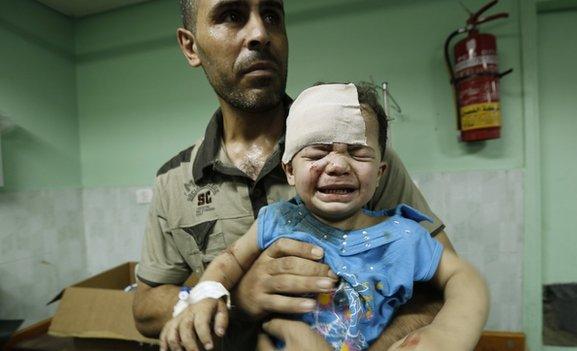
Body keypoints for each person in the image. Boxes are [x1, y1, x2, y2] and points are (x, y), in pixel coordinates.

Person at [132, 0, 462, 349]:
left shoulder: (357, 162)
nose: (260, 33)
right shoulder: (174, 179)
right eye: (232, 15)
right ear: (190, 46)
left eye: (272, 15)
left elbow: (442, 288)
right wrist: (236, 299)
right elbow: (144, 307)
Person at [159, 83, 489, 351]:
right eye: (317, 153)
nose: (337, 165)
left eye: (358, 154)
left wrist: (444, 335)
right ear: (289, 169)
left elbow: (465, 279)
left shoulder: (404, 236)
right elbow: (229, 259)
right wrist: (205, 296)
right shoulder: (276, 220)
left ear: (380, 173)